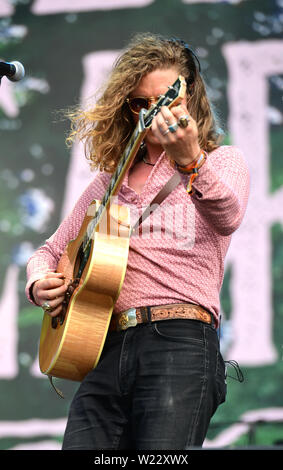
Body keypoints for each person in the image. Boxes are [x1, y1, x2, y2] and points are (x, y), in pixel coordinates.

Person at [25, 33, 250, 450]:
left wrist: (191, 161)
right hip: (104, 345)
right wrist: (40, 283)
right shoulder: (108, 183)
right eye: (139, 103)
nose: (151, 114)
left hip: (179, 342)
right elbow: (49, 251)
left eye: (164, 100)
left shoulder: (222, 161)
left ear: (190, 95)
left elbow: (228, 216)